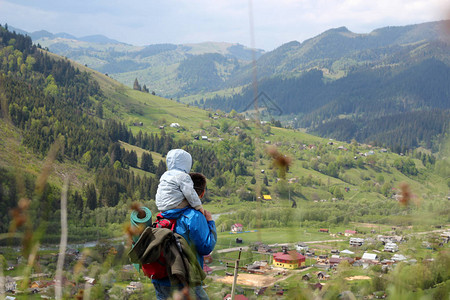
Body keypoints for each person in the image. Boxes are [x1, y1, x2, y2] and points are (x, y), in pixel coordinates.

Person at [152, 172, 217, 300]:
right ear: (202, 193)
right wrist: (210, 222)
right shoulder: (194, 216)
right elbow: (206, 247)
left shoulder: (164, 213)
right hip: (185, 280)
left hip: (160, 279)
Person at [156, 149, 204, 214]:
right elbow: (189, 192)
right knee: (189, 201)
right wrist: (198, 206)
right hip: (174, 205)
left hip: (161, 206)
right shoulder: (183, 176)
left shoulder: (165, 175)